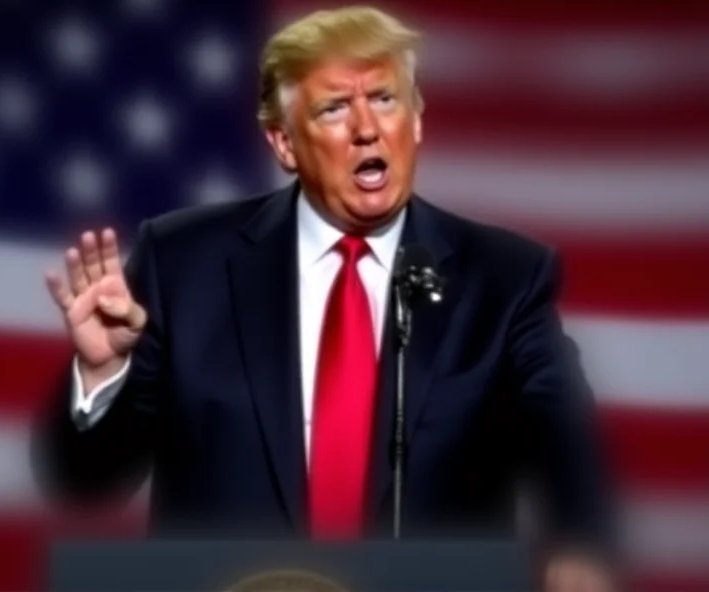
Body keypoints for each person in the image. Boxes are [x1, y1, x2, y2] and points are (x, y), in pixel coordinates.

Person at [32, 6, 616, 590]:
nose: (367, 128)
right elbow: (86, 479)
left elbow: (565, 436)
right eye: (335, 107)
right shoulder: (183, 264)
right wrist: (104, 371)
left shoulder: (504, 279)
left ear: (416, 121)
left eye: (385, 99)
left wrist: (580, 544)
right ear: (284, 144)